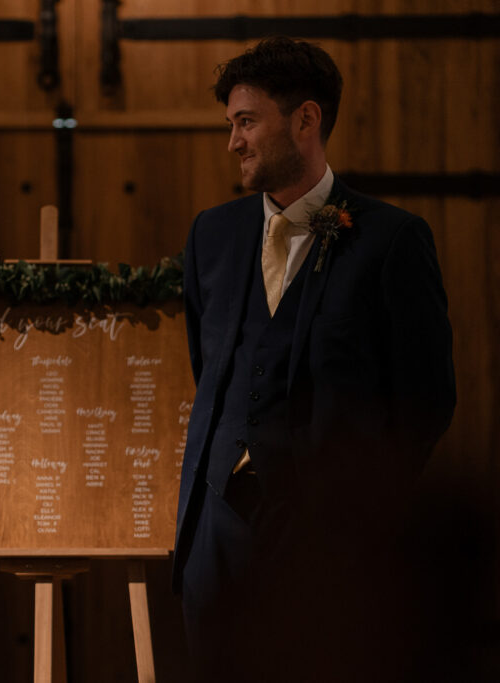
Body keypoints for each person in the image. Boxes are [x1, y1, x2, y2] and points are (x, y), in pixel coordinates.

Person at [173, 38, 455, 682]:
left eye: (247, 122)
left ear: (306, 119)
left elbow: (426, 404)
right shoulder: (210, 236)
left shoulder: (392, 240)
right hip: (214, 534)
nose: (233, 142)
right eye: (230, 125)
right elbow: (210, 367)